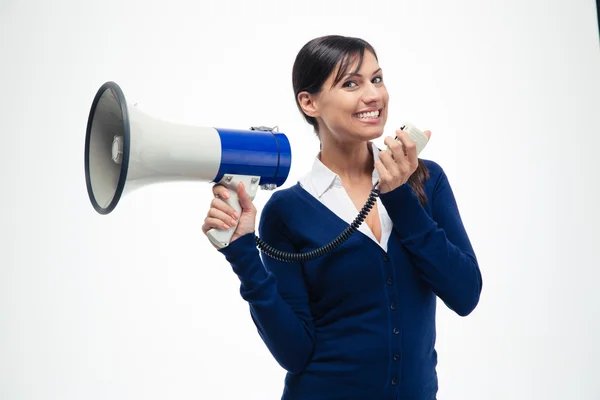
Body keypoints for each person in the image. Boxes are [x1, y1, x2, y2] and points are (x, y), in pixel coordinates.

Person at [201, 35, 483, 400]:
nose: (373, 95)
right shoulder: (288, 212)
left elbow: (465, 295)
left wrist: (400, 197)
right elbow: (293, 352)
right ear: (309, 101)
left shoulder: (425, 180)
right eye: (351, 83)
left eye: (377, 79)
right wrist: (243, 255)